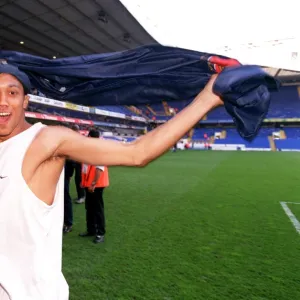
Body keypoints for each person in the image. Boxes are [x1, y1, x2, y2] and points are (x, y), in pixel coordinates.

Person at [0, 63, 223, 300]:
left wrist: (207, 99)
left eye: (12, 92)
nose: (2, 101)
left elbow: (137, 153)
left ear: (25, 100)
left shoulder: (46, 139)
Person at [79, 129, 109, 243]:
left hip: (96, 185)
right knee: (89, 208)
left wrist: (93, 183)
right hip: (89, 184)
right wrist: (83, 181)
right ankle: (91, 229)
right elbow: (86, 167)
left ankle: (100, 233)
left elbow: (99, 169)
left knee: (97, 209)